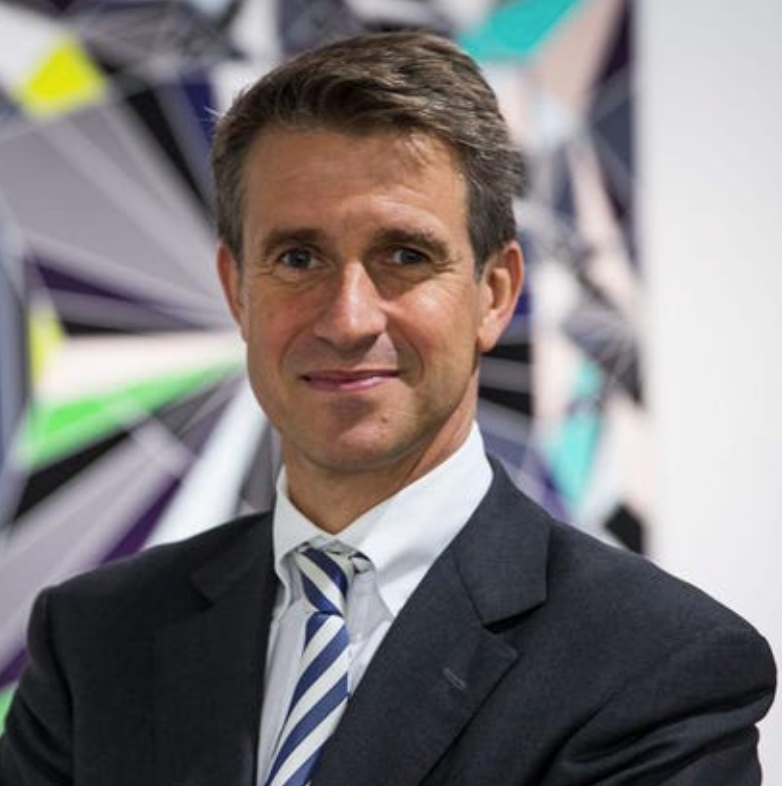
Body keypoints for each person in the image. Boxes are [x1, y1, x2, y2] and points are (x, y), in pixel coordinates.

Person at [0, 30, 776, 786]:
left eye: (405, 255)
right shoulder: (93, 643)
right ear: (237, 291)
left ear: (494, 293)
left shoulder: (657, 667)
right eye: (298, 258)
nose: (347, 319)